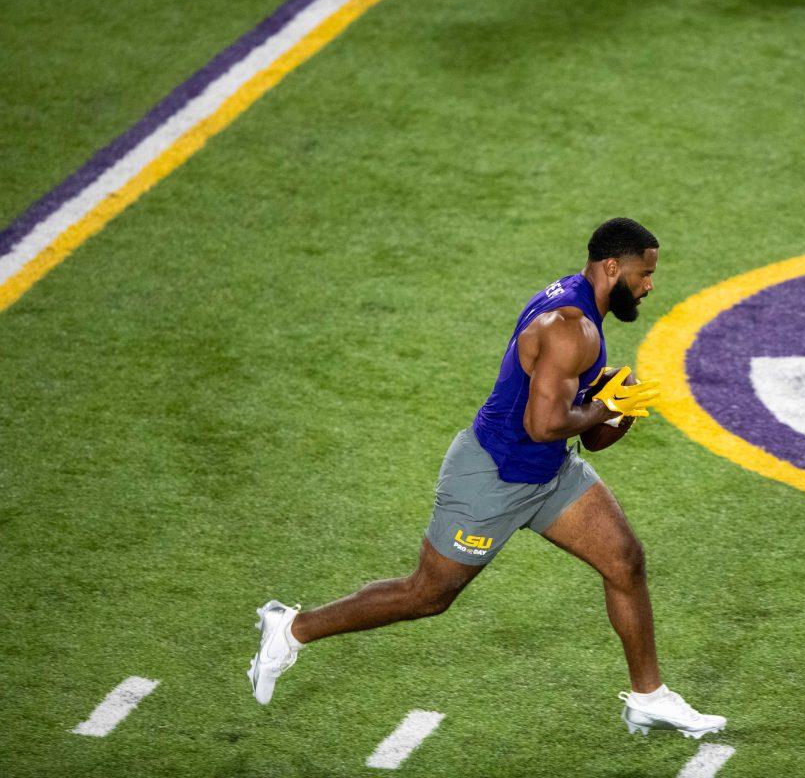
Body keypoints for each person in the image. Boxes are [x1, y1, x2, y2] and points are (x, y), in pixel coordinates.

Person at [246, 218, 727, 739]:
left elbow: (586, 439)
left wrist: (618, 415)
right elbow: (542, 425)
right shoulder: (572, 328)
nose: (650, 285)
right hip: (492, 477)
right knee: (427, 595)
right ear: (613, 267)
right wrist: (604, 405)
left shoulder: (580, 307)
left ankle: (648, 697)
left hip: (548, 473)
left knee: (625, 561)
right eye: (645, 273)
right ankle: (290, 629)